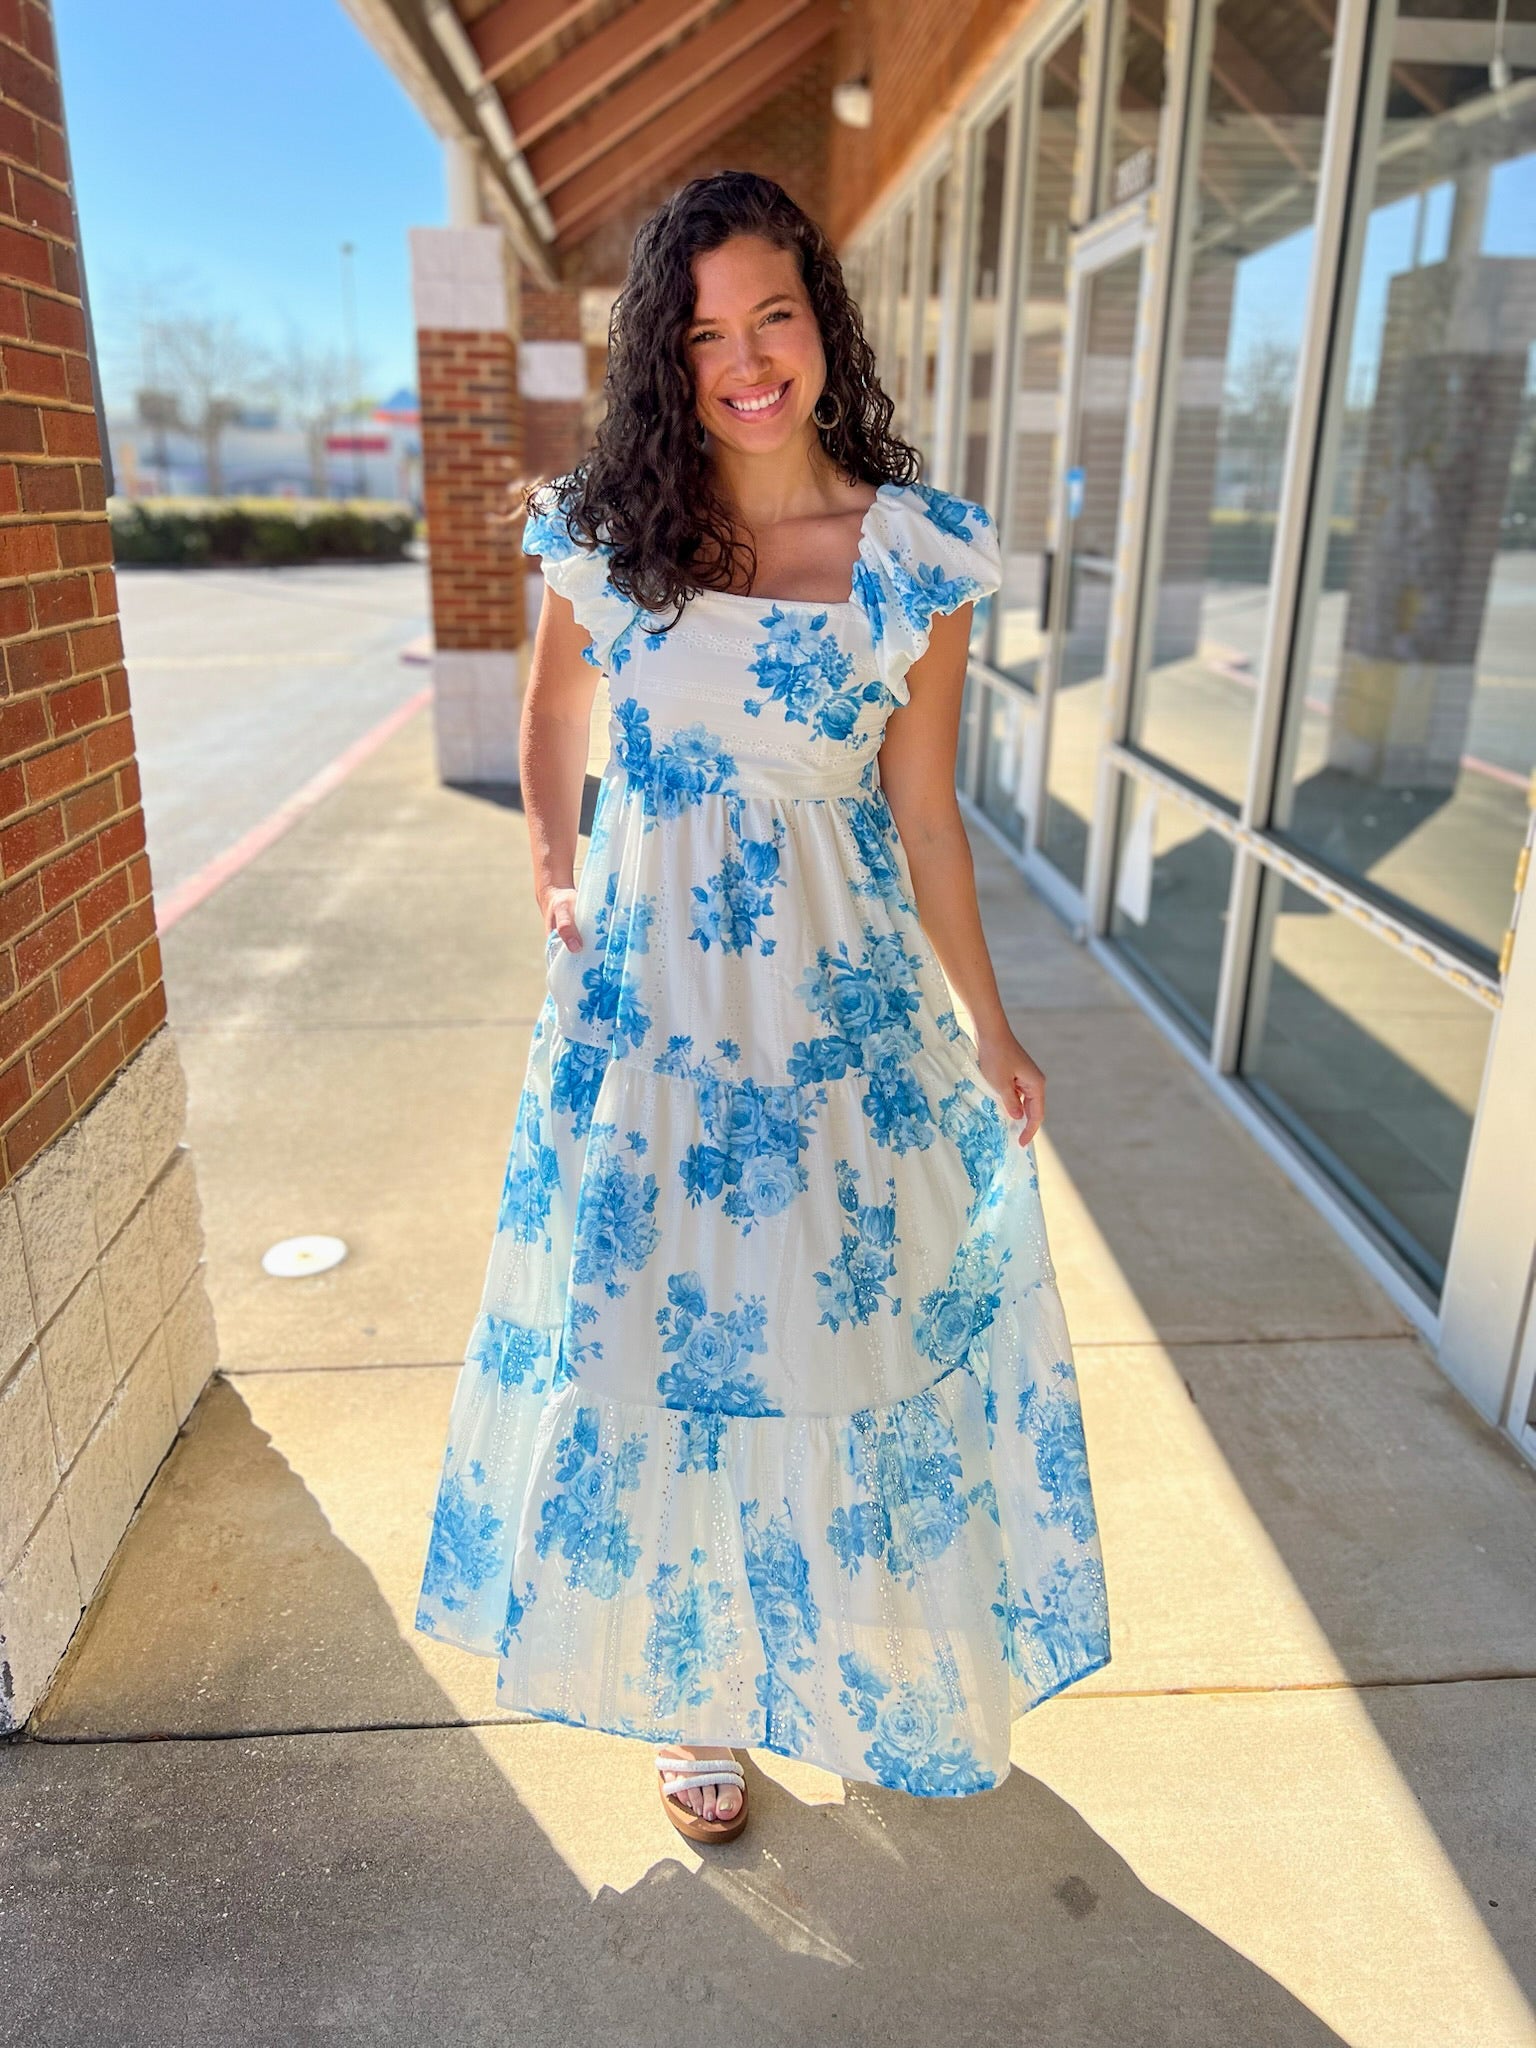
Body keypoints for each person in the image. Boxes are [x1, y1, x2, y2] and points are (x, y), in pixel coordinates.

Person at [414, 171, 1110, 1846]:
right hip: (649, 1030)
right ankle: (697, 1692)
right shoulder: (609, 536)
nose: (746, 361)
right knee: (660, 1344)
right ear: (667, 357)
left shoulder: (912, 558)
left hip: (837, 1033)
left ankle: (854, 1664)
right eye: (704, 333)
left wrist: (992, 1022)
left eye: (773, 317)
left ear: (822, 325)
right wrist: (554, 873)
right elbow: (551, 718)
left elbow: (926, 817)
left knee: (837, 1343)